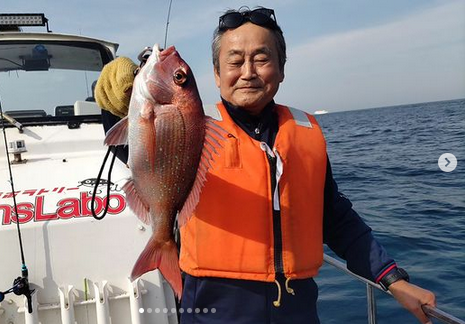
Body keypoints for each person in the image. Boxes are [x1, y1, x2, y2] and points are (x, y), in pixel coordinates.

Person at [95, 6, 436, 324]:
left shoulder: (305, 132)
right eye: (235, 61)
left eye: (261, 59)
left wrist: (391, 278)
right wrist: (111, 104)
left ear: (282, 68)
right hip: (214, 308)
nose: (248, 73)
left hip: (298, 309)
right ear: (216, 73)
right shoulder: (193, 126)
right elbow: (139, 151)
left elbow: (335, 218)